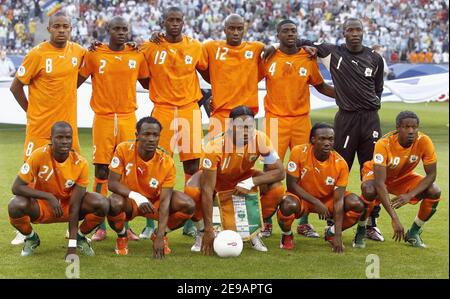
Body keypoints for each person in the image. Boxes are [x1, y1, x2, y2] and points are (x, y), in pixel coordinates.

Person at [283, 18, 385, 240]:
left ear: (364, 32)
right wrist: (299, 47)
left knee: (371, 170)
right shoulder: (332, 52)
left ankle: (370, 222)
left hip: (370, 119)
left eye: (358, 29)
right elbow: (296, 40)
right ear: (344, 33)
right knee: (338, 166)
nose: (355, 33)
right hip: (346, 119)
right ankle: (323, 219)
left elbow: (378, 89)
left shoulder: (375, 58)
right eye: (350, 30)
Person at [9, 12, 86, 245]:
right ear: (49, 29)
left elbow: (83, 73)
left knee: (74, 177)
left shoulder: (78, 52)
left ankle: (73, 228)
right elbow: (15, 88)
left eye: (66, 26)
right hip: (39, 130)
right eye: (57, 26)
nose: (62, 30)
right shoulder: (37, 54)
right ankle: (22, 229)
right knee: (28, 180)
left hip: (66, 131)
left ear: (71, 29)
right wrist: (31, 113)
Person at [78, 16, 150, 242]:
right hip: (103, 118)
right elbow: (75, 81)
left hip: (129, 118)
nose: (121, 32)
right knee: (101, 171)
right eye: (116, 28)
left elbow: (149, 82)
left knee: (126, 173)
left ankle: (124, 224)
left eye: (124, 29)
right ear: (107, 30)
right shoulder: (94, 54)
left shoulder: (136, 54)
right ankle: (99, 225)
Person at [261, 19, 335, 237]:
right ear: (278, 35)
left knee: (306, 171)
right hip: (275, 120)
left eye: (293, 30)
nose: (290, 34)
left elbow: (320, 85)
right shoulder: (269, 56)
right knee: (271, 170)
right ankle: (266, 221)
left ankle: (303, 222)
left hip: (301, 121)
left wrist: (344, 96)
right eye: (285, 31)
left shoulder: (307, 56)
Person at [140, 7, 207, 238]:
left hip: (189, 109)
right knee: (155, 164)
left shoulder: (195, 47)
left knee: (193, 167)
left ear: (184, 22)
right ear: (164, 22)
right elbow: (142, 76)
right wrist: (161, 91)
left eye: (178, 20)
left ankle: (191, 219)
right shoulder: (150, 47)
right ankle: (151, 220)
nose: (175, 23)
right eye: (171, 20)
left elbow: (208, 74)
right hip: (163, 110)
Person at [186, 106, 285, 254]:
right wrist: (208, 230)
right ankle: (201, 233)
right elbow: (207, 189)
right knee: (191, 190)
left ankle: (253, 232)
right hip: (217, 180)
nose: (246, 132)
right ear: (230, 126)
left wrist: (251, 182)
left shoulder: (261, 139)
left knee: (277, 188)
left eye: (250, 127)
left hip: (243, 178)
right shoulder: (214, 146)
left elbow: (280, 172)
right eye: (241, 127)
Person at [8, 122, 108, 257]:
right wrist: (49, 197)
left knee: (102, 203)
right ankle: (31, 238)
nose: (64, 141)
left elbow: (75, 206)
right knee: (15, 205)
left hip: (69, 207)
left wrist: (71, 245)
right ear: (51, 139)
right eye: (59, 137)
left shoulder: (81, 163)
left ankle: (79, 237)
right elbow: (16, 187)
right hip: (42, 206)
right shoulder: (38, 155)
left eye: (68, 137)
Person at [107, 116, 196, 258]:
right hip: (130, 202)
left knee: (188, 204)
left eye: (155, 135)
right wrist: (137, 196)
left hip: (155, 203)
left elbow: (165, 201)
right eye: (146, 134)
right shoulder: (123, 149)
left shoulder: (167, 161)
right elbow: (112, 183)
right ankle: (122, 236)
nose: (151, 139)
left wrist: (160, 235)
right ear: (137, 136)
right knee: (113, 203)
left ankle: (157, 235)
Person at [353, 111, 441, 248]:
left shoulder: (424, 141)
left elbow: (431, 175)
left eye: (414, 127)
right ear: (398, 128)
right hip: (377, 176)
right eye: (406, 127)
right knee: (369, 190)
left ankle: (413, 233)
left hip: (402, 177)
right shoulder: (383, 144)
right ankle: (361, 230)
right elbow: (380, 183)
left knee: (434, 191)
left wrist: (409, 195)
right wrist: (394, 218)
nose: (411, 131)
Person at [277, 123, 365, 252]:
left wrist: (338, 236)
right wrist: (316, 202)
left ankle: (331, 233)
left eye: (331, 139)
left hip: (328, 200)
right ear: (313, 140)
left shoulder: (341, 164)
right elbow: (291, 185)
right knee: (287, 204)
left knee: (357, 204)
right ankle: (287, 235)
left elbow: (339, 200)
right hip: (303, 198)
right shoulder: (298, 151)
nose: (327, 143)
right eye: (322, 139)